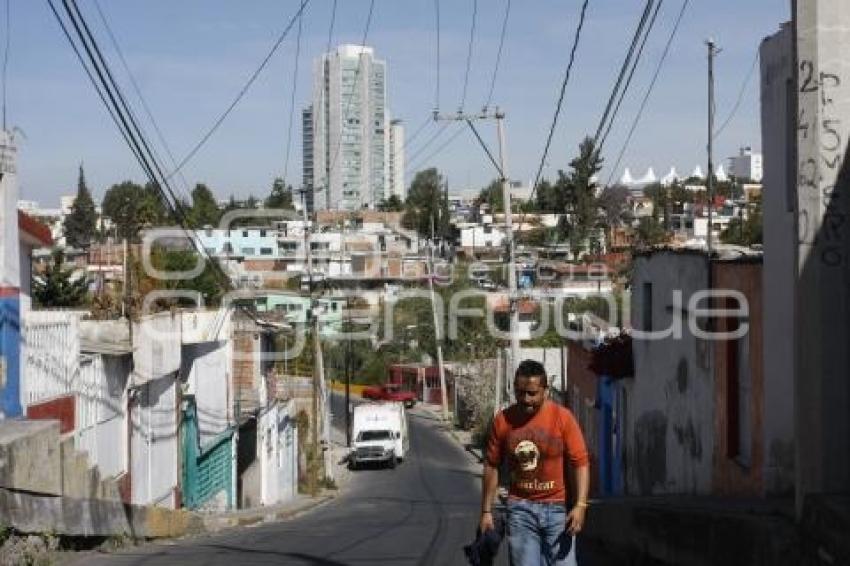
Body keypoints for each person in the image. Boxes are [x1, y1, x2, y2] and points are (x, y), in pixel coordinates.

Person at [479, 360, 590, 565]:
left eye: (532, 393)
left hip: (558, 510)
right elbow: (491, 465)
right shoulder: (503, 420)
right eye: (520, 393)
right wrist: (486, 511)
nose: (526, 400)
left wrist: (580, 505)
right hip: (520, 509)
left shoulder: (563, 418)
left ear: (545, 391)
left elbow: (580, 462)